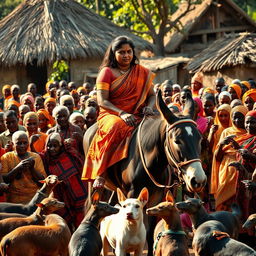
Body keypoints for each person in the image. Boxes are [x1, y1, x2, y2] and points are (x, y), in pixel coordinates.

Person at [81, 36, 155, 188]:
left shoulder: (141, 72)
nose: (127, 55)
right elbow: (102, 101)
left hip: (138, 112)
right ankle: (101, 173)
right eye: (122, 52)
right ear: (113, 54)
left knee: (159, 128)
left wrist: (150, 107)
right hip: (111, 113)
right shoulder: (106, 72)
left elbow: (152, 95)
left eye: (129, 51)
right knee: (116, 126)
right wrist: (122, 113)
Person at [40, 133, 87, 230]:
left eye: (55, 146)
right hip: (61, 195)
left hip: (78, 194)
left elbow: (81, 171)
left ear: (61, 145)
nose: (52, 148)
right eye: (49, 145)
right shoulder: (45, 159)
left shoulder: (71, 155)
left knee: (82, 220)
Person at [210, 105, 248, 211]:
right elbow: (217, 157)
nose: (237, 120)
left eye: (241, 117)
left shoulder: (249, 133)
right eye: (234, 117)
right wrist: (222, 144)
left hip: (242, 169)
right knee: (222, 200)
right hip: (226, 170)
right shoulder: (226, 132)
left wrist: (238, 148)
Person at [0, 131, 46, 203]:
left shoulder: (35, 157)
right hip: (13, 200)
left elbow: (42, 182)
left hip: (33, 199)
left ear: (28, 143)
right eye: (19, 143)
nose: (22, 146)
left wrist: (32, 169)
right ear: (12, 144)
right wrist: (18, 168)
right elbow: (4, 180)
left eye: (25, 143)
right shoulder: (6, 157)